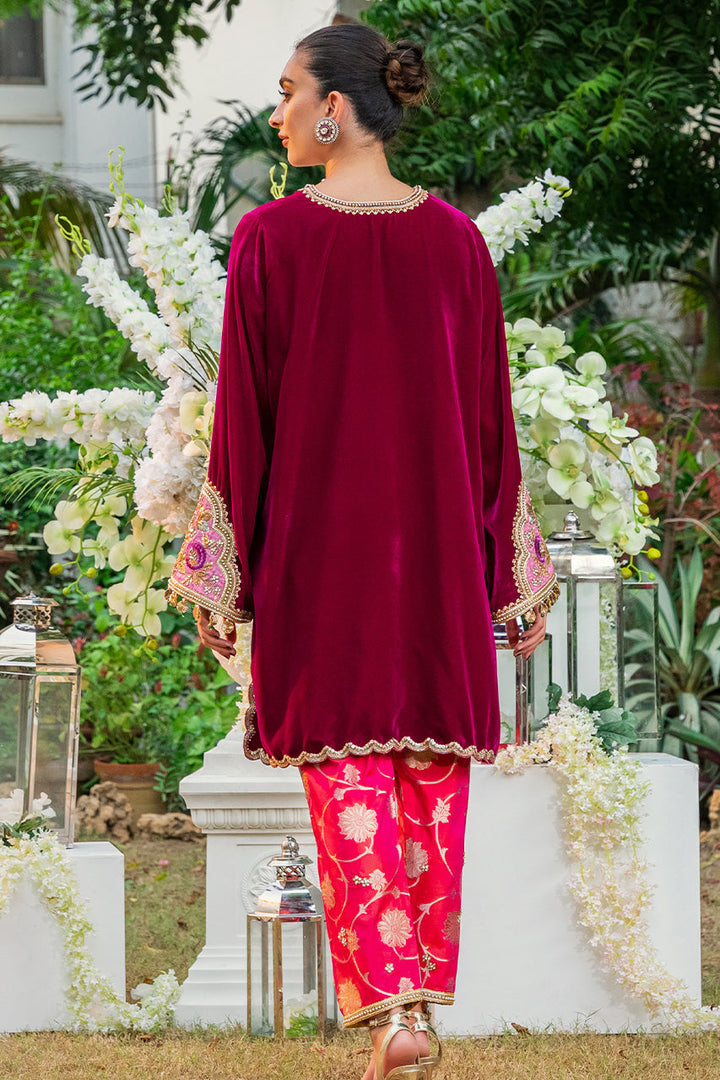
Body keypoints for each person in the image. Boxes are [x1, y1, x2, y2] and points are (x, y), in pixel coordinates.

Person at [166, 22, 558, 1080]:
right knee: (428, 785)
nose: (278, 113)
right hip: (434, 568)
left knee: (350, 783)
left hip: (324, 564)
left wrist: (222, 573)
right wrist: (511, 580)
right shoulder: (457, 244)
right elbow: (492, 429)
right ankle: (414, 1003)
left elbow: (242, 429)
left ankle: (393, 1014)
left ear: (335, 107)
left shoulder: (272, 243)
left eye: (289, 92)